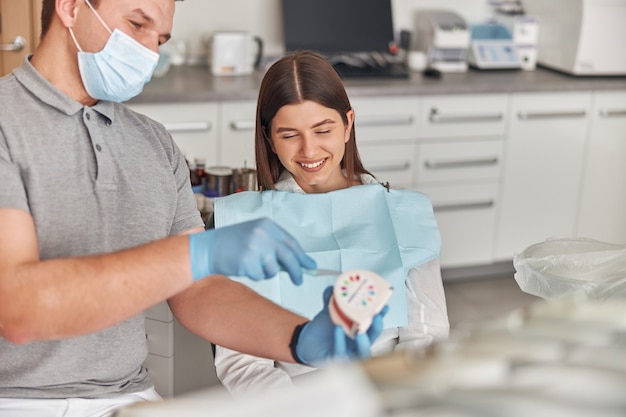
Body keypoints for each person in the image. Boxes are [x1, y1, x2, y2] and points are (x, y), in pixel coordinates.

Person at [0, 2, 386, 416]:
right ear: (72, 8)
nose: (149, 51)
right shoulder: (8, 123)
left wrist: (300, 339)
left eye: (161, 39)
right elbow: (17, 308)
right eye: (137, 24)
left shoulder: (153, 144)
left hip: (129, 399)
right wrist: (196, 254)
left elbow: (198, 292)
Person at [213, 51, 450, 395]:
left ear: (347, 124)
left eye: (323, 129)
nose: (309, 150)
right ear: (269, 138)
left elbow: (426, 338)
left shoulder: (403, 214)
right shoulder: (246, 224)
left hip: (389, 392)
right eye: (289, 134)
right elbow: (243, 362)